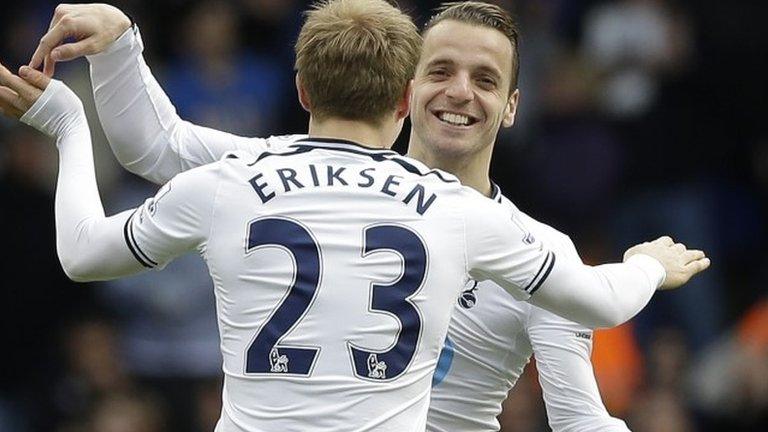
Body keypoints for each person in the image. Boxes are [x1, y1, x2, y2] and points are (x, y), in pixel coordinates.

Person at [4, 1, 709, 431]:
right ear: (405, 91)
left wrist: (78, 105)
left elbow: (584, 421)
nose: (459, 92)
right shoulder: (470, 223)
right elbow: (157, 143)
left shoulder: (255, 176)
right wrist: (647, 263)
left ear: (513, 107)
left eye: (486, 79)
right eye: (440, 71)